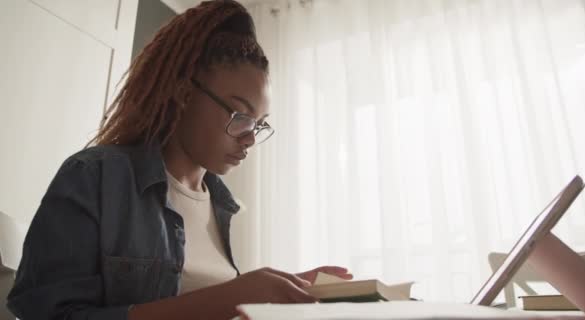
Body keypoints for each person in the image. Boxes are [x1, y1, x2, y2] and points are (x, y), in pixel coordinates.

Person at [7, 1, 352, 319]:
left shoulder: (221, 204)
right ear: (183, 94)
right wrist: (233, 296)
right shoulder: (96, 176)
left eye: (259, 125)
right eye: (241, 116)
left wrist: (275, 295)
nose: (250, 138)